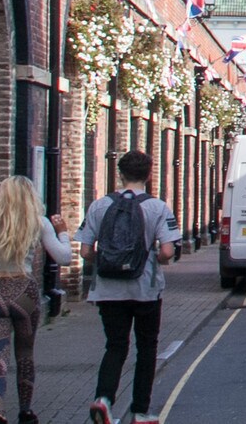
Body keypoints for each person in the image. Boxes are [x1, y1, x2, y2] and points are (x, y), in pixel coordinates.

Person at [75, 149, 182, 424]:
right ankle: (140, 411)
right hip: (145, 290)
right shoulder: (157, 207)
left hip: (108, 290)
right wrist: (154, 259)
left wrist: (108, 260)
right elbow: (168, 252)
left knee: (115, 346)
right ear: (148, 175)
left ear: (120, 174)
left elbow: (86, 251)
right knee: (146, 348)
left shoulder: (99, 206)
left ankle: (103, 399)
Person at [0, 175, 77, 424]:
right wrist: (62, 233)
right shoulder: (38, 222)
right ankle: (26, 412)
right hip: (24, 292)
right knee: (25, 353)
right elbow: (63, 258)